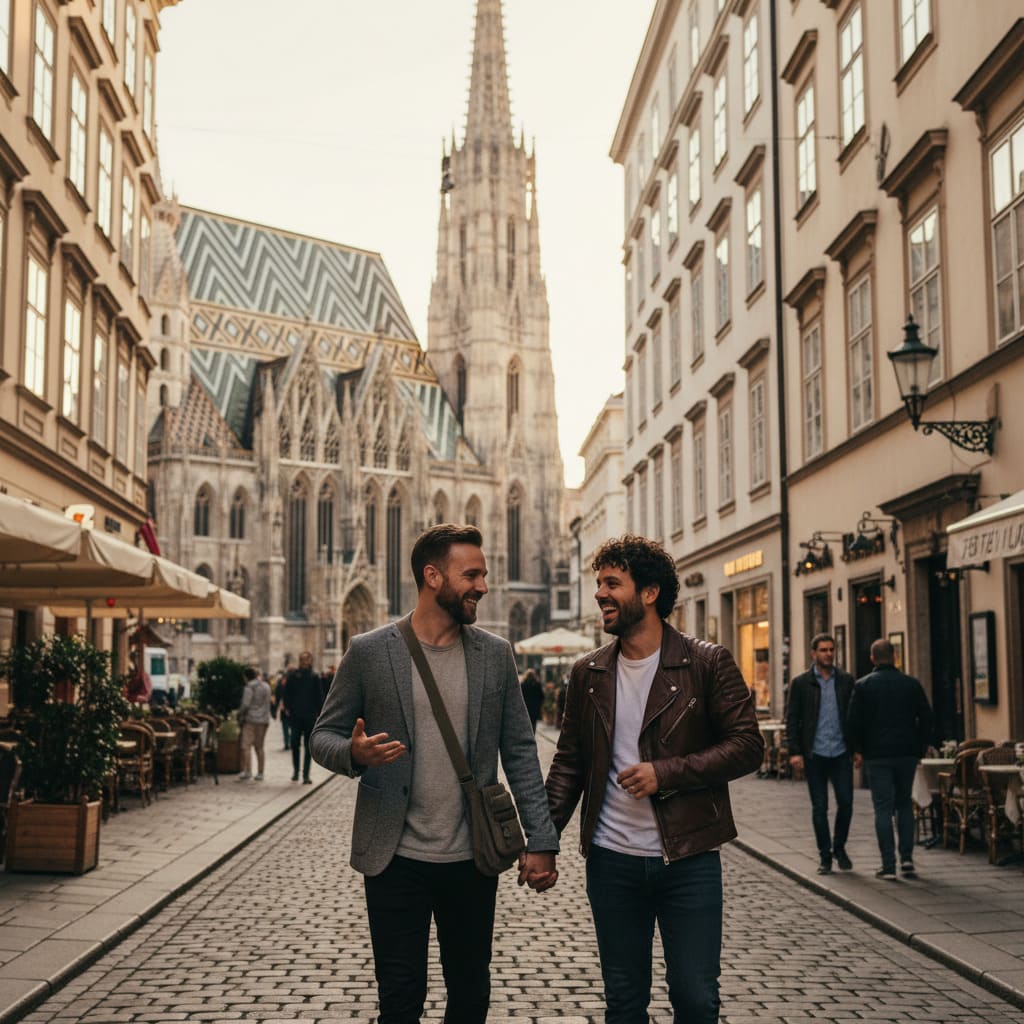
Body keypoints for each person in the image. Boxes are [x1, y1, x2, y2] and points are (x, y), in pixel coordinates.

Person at [311, 523, 558, 1024]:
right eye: (471, 574)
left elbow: (520, 751)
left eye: (483, 575)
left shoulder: (496, 655)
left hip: (472, 857)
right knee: (400, 1001)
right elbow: (323, 736)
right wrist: (355, 755)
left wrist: (542, 839)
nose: (483, 587)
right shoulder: (370, 651)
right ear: (432, 576)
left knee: (470, 995)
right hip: (394, 857)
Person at [545, 534, 763, 1024]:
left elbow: (748, 745)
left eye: (612, 583)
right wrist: (543, 839)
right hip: (611, 860)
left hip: (687, 859)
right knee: (623, 1003)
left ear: (648, 593)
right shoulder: (589, 673)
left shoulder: (706, 662)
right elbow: (569, 763)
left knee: (695, 998)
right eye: (599, 583)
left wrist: (665, 773)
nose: (600, 593)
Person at [847, 638, 933, 880]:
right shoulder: (911, 684)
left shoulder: (863, 686)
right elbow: (927, 718)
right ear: (895, 656)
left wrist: (858, 750)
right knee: (904, 804)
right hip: (906, 754)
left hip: (877, 755)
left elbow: (853, 721)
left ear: (872, 658)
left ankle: (888, 865)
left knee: (883, 808)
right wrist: (921, 747)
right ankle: (907, 859)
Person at [785, 633, 856, 875]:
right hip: (814, 753)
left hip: (840, 751)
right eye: (823, 650)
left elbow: (855, 718)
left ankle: (839, 847)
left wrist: (857, 749)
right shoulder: (802, 683)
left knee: (846, 802)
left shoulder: (846, 681)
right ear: (813, 653)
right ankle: (825, 856)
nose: (828, 654)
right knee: (820, 807)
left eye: (831, 650)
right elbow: (792, 719)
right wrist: (795, 752)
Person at [284, 652, 325, 783]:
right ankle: (296, 771)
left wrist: (319, 713)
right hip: (296, 715)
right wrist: (287, 708)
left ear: (310, 661)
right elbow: (287, 693)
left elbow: (319, 697)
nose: (305, 661)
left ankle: (306, 774)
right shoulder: (293, 676)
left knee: (308, 747)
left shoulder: (315, 677)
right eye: (302, 659)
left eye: (307, 659)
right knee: (294, 743)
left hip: (309, 716)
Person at [238, 666, 273, 782]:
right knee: (259, 747)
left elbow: (245, 705)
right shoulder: (266, 686)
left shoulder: (249, 687)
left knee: (246, 746)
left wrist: (240, 714)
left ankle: (248, 771)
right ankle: (260, 772)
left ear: (246, 677)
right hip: (263, 720)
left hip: (251, 720)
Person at [520, 668, 543, 733]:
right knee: (533, 723)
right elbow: (541, 696)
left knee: (526, 723)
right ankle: (533, 735)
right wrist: (539, 704)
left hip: (525, 707)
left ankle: (527, 735)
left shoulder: (523, 684)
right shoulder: (537, 684)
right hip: (535, 707)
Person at [273, 672, 290, 750]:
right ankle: (287, 743)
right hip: (283, 710)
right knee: (285, 727)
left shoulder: (291, 686)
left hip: (291, 710)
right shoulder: (279, 687)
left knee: (290, 728)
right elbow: (277, 699)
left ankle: (289, 742)